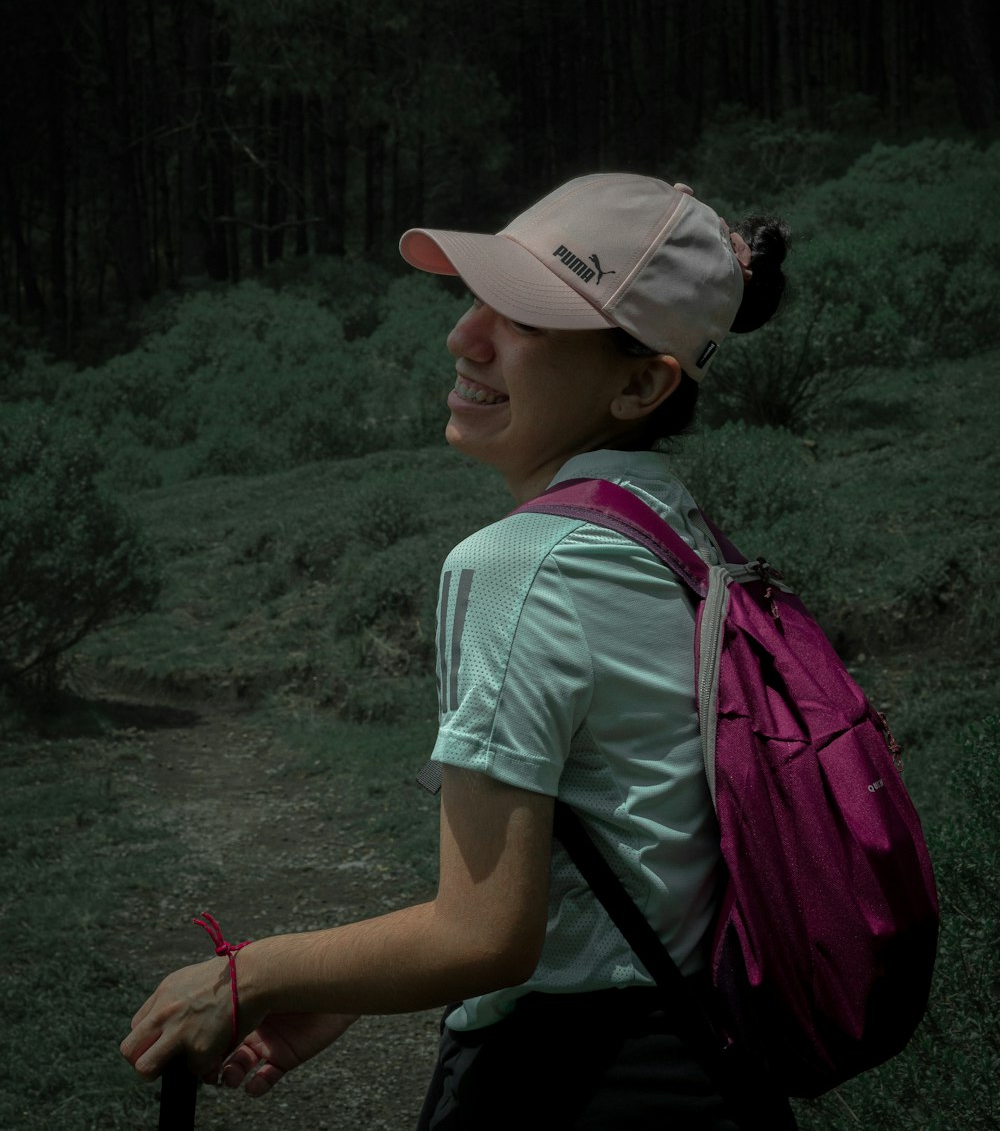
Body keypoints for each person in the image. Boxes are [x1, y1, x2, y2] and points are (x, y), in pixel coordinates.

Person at [121, 173, 793, 1129]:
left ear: (642, 383)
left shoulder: (522, 560)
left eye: (526, 318)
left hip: (565, 1085)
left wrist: (243, 978)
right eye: (482, 295)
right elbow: (628, 845)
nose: (464, 335)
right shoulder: (679, 535)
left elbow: (487, 937)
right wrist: (356, 983)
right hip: (708, 1066)